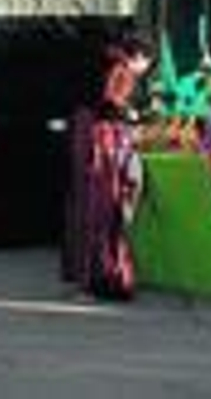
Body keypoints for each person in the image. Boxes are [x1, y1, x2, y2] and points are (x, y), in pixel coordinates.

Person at [63, 37, 148, 300]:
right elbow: (111, 104)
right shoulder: (121, 70)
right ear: (138, 57)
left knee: (91, 212)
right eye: (146, 62)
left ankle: (93, 279)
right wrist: (134, 117)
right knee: (105, 212)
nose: (145, 68)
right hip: (102, 144)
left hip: (90, 140)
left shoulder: (105, 63)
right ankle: (103, 279)